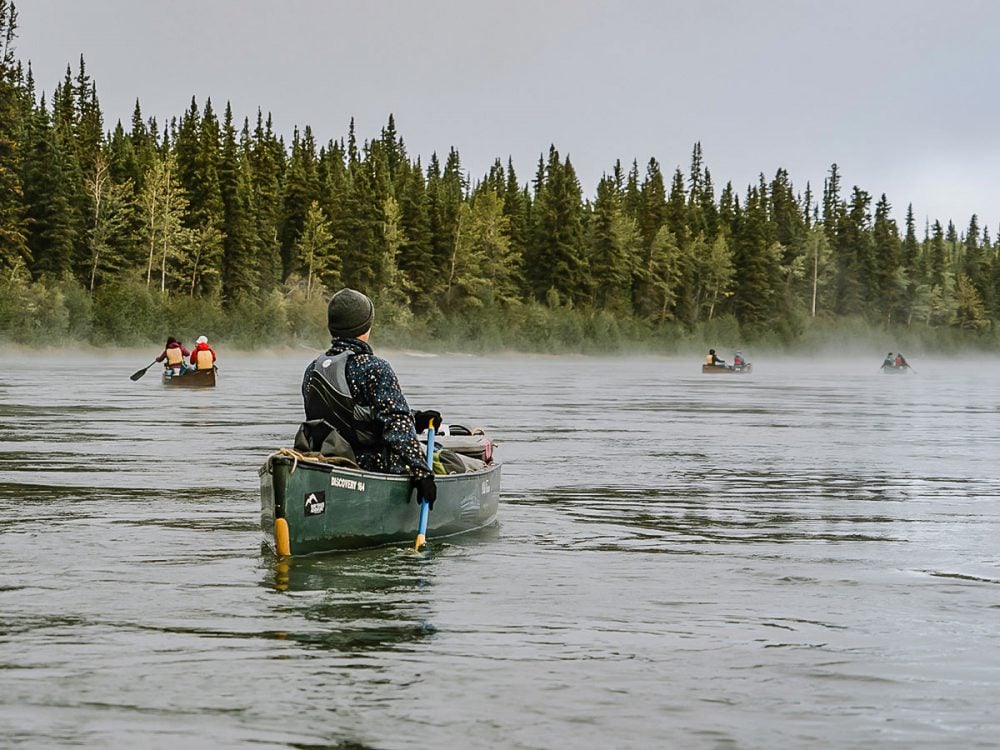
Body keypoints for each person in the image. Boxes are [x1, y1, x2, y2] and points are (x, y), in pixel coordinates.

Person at [300, 288, 438, 506]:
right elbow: (396, 423)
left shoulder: (313, 369)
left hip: (328, 461)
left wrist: (415, 418)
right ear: (366, 326)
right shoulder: (374, 367)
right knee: (434, 454)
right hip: (372, 466)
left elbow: (350, 413)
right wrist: (422, 472)